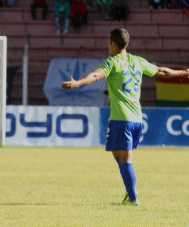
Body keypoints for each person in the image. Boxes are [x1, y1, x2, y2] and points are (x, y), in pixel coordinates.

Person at [61, 28, 189, 206]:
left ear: (113, 43)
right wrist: (183, 73)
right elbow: (161, 71)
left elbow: (96, 75)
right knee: (117, 153)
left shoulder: (112, 62)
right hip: (136, 118)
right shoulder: (138, 61)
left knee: (126, 158)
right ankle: (130, 193)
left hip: (122, 118)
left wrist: (77, 83)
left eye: (109, 42)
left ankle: (133, 197)